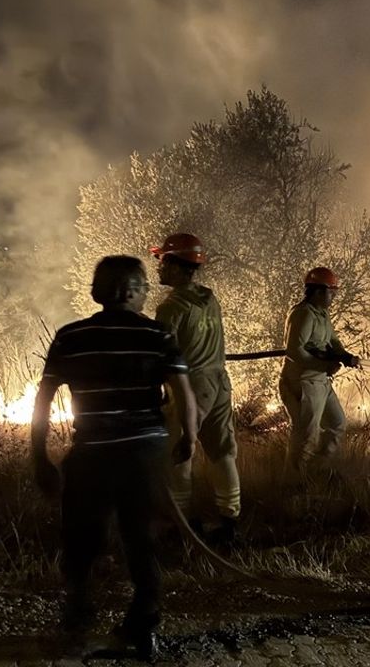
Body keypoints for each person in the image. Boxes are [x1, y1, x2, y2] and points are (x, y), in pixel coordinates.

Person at [31, 255, 197, 660]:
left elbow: (44, 398)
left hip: (91, 455)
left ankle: (76, 614)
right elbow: (184, 394)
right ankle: (144, 623)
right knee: (142, 539)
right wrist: (189, 438)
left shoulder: (70, 337)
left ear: (99, 292)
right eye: (143, 287)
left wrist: (39, 456)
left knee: (82, 537)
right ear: (132, 292)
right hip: (144, 454)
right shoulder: (158, 335)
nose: (144, 294)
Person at [151, 233, 240, 544]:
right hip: (220, 382)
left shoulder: (171, 308)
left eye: (162, 260)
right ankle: (229, 520)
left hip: (190, 387)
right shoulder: (209, 298)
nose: (158, 268)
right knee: (222, 452)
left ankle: (184, 525)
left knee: (180, 451)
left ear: (176, 266)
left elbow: (162, 356)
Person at [278, 267, 359, 469]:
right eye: (331, 292)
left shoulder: (321, 315)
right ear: (318, 291)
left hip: (320, 380)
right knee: (307, 435)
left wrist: (345, 356)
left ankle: (317, 469)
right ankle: (296, 482)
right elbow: (294, 351)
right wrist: (324, 366)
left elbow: (333, 341)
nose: (333, 297)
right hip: (304, 382)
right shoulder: (303, 315)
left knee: (337, 424)